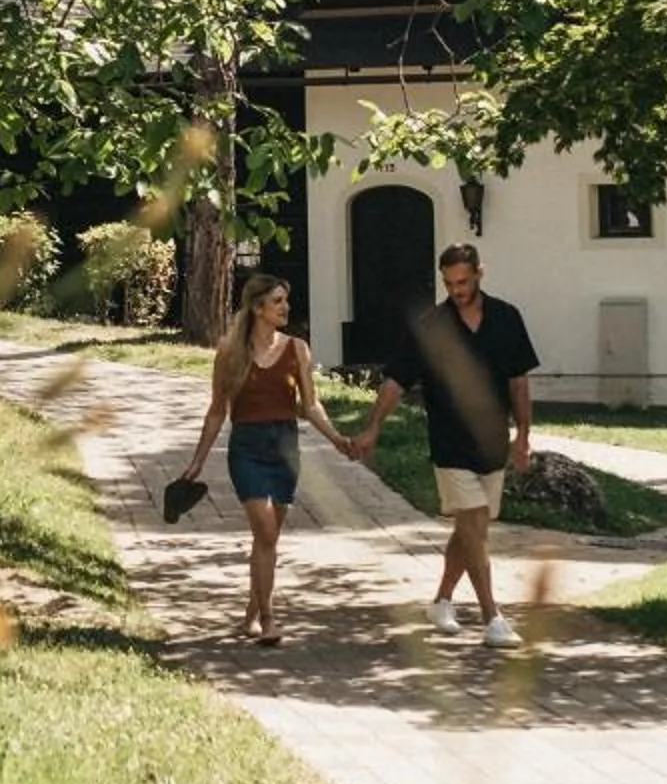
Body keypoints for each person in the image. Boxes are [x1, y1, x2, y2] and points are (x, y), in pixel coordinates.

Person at [349, 242, 538, 646]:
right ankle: (493, 618)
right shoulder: (431, 326)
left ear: (479, 274)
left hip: (493, 444)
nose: (457, 290)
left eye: (464, 282)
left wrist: (523, 436)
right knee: (473, 527)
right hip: (451, 443)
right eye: (450, 283)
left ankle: (441, 600)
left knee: (471, 530)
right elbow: (396, 381)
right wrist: (373, 428)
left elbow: (519, 382)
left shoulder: (507, 318)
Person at [175, 273, 352, 645]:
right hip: (247, 448)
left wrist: (337, 438)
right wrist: (197, 462)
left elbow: (310, 404)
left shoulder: (298, 349)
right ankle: (269, 620)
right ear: (257, 308)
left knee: (266, 540)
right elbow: (216, 412)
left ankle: (250, 614)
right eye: (277, 301)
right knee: (266, 533)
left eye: (286, 300)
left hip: (285, 447)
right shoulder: (229, 353)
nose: (286, 307)